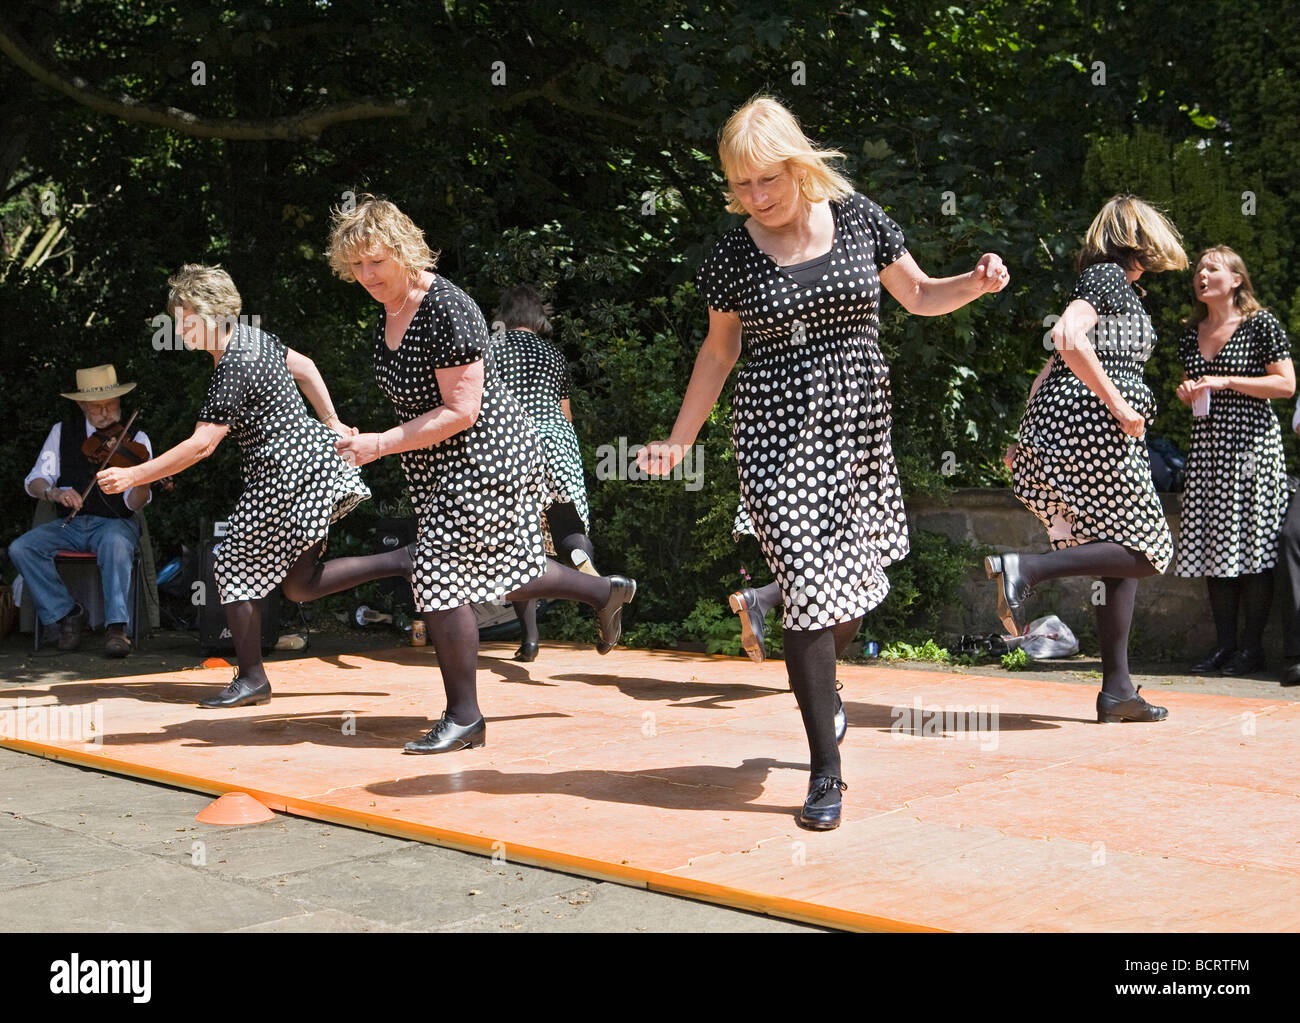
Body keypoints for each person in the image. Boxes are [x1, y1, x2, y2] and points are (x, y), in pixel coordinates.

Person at [639, 96, 1008, 831]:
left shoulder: (862, 219)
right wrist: (680, 440)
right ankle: (824, 772)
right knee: (813, 585)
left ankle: (822, 687)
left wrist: (974, 282)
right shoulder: (733, 256)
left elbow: (919, 293)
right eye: (741, 185)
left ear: (798, 164)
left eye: (768, 179)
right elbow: (719, 352)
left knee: (856, 586)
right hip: (776, 434)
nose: (756, 196)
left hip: (857, 428)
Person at [327, 196, 636, 755]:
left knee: (440, 575)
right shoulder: (388, 313)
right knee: (498, 573)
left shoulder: (447, 307)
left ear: (402, 251)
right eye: (356, 266)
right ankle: (602, 590)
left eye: (376, 261)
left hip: (486, 459)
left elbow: (461, 410)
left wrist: (379, 444)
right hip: (437, 465)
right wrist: (363, 437)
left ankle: (465, 716)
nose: (366, 275)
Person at [99, 264, 408, 707]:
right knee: (300, 584)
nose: (178, 328)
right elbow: (306, 366)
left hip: (287, 475)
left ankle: (251, 678)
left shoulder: (232, 366)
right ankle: (403, 559)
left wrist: (133, 475)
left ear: (207, 316)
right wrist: (332, 421)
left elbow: (202, 445)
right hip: (311, 465)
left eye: (183, 319)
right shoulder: (252, 338)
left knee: (231, 563)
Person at [989, 195, 1188, 723]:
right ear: (1136, 237)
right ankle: (1025, 568)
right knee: (1147, 550)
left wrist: (1028, 435)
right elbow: (1067, 337)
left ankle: (1118, 691)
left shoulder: (1115, 285)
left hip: (1069, 425)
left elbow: (1051, 365)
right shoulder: (1104, 278)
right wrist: (1119, 404)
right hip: (1096, 429)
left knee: (1114, 560)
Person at [1173, 247, 1294, 676]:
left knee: (1253, 548)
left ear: (1237, 279)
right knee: (1214, 548)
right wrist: (1188, 392)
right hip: (1208, 449)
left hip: (1251, 450)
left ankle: (1252, 649)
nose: (1201, 274)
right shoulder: (1191, 332)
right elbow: (1197, 387)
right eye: (1199, 269)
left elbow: (1285, 385)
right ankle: (1225, 647)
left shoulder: (1261, 324)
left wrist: (1226, 380)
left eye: (1212, 268)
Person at [489, 284, 600, 662]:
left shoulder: (491, 349)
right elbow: (565, 412)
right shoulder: (553, 354)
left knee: (519, 546)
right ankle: (587, 569)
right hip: (557, 440)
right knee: (567, 526)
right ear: (539, 318)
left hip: (512, 444)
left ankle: (530, 638)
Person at [11, 365, 153, 657]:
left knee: (115, 543)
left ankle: (116, 629)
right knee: (21, 548)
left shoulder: (136, 438)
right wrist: (54, 492)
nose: (105, 412)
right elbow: (35, 479)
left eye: (111, 404)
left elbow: (133, 504)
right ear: (80, 405)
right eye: (96, 407)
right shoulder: (62, 432)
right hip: (72, 525)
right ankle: (67, 614)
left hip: (115, 524)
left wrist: (144, 481)